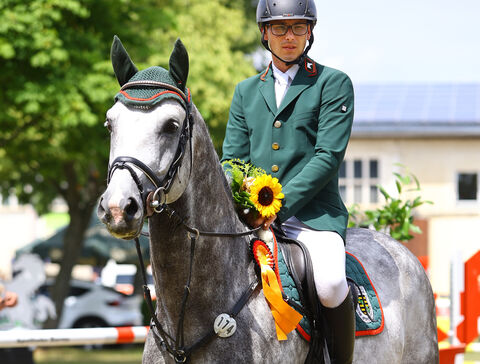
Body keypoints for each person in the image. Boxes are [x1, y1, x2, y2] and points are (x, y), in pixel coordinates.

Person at [221, 0, 355, 362]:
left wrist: (277, 205)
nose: (289, 36)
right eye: (279, 28)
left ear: (310, 31)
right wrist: (246, 199)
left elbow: (327, 156)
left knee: (329, 284)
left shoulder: (332, 83)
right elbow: (232, 160)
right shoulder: (246, 91)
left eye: (298, 27)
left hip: (313, 217)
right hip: (251, 218)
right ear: (265, 33)